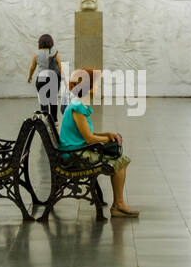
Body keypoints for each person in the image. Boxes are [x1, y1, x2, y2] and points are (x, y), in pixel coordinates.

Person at [58, 68, 139, 217]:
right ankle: (118, 205)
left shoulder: (78, 104)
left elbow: (86, 134)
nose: (97, 87)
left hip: (76, 150)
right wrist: (107, 139)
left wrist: (106, 134)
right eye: (95, 84)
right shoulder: (78, 108)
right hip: (74, 155)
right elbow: (89, 139)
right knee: (120, 160)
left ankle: (118, 204)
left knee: (122, 161)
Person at [27, 34, 63, 126]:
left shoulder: (36, 53)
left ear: (40, 43)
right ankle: (54, 120)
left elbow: (32, 67)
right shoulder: (55, 52)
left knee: (43, 100)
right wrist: (63, 77)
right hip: (54, 78)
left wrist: (30, 76)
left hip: (41, 79)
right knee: (53, 100)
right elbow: (60, 66)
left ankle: (45, 120)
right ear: (51, 42)